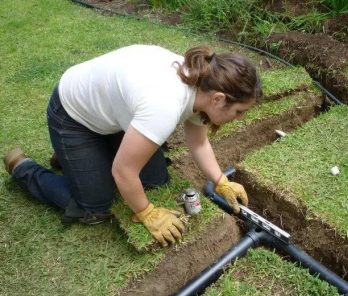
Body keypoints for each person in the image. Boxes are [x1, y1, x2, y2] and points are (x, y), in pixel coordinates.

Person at [3, 44, 262, 247]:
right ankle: (25, 168)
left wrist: (220, 181)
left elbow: (198, 141)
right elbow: (123, 172)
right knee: (95, 207)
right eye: (239, 111)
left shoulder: (202, 82)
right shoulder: (164, 105)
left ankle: (79, 158)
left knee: (155, 179)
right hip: (72, 116)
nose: (239, 119)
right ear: (218, 99)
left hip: (112, 115)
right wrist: (146, 212)